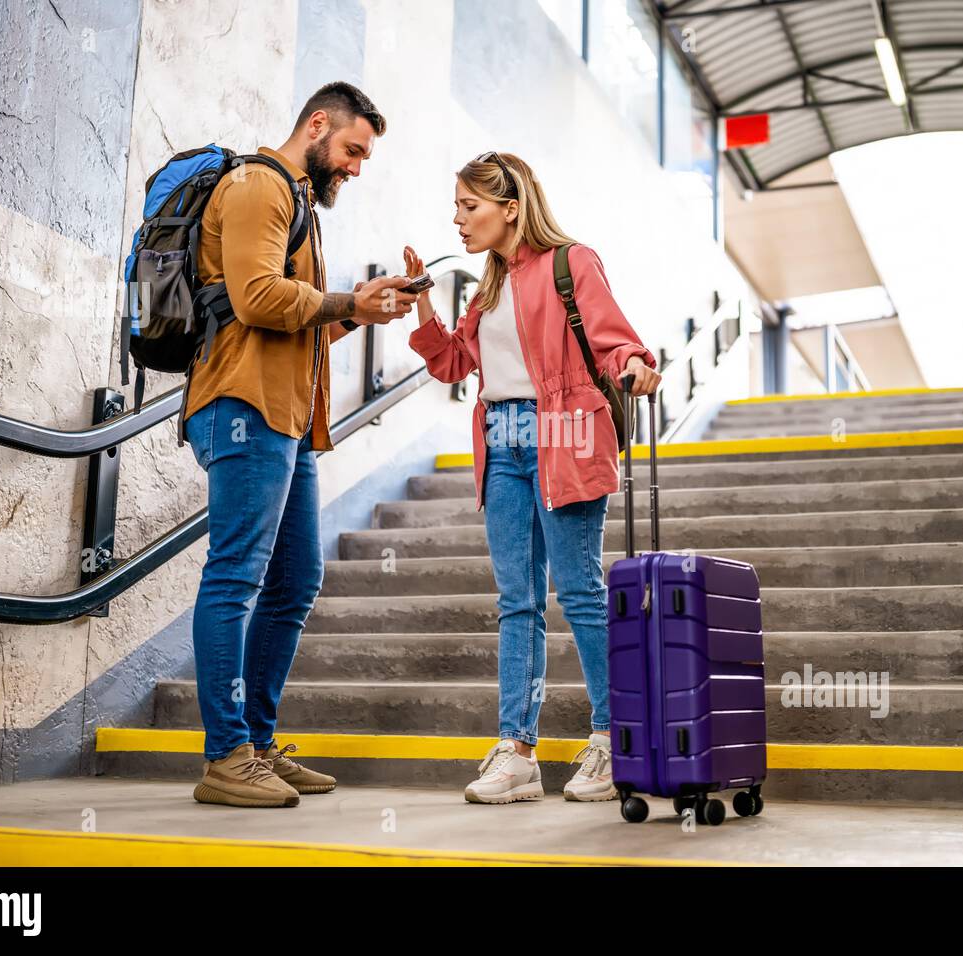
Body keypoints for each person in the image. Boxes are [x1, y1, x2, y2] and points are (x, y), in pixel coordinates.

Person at [181, 82, 417, 808]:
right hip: (244, 406)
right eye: (351, 150)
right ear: (317, 124)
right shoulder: (259, 184)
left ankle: (254, 742)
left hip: (286, 418)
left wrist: (367, 306)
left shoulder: (302, 204)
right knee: (236, 576)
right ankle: (226, 758)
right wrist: (348, 299)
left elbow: (299, 320)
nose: (354, 167)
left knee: (294, 582)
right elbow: (255, 298)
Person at [405, 151, 661, 804]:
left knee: (578, 591)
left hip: (564, 432)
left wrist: (637, 364)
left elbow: (614, 339)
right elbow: (454, 364)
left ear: (510, 207)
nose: (458, 220)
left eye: (470, 207)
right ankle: (517, 753)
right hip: (502, 440)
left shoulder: (572, 263)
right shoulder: (487, 284)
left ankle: (612, 739)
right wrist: (423, 305)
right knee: (517, 601)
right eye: (457, 207)